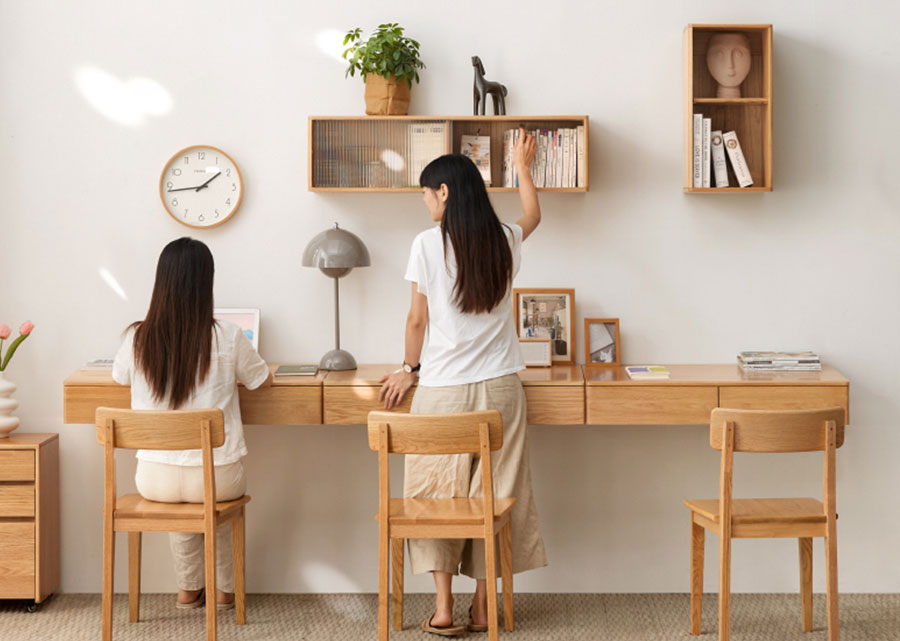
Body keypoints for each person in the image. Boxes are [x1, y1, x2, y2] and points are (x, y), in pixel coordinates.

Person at [379, 128, 547, 636]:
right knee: (494, 496)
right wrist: (522, 167)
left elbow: (416, 320)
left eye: (427, 193)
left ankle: (445, 607)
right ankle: (482, 605)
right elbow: (533, 216)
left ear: (444, 192)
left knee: (435, 496)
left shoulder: (427, 245)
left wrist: (408, 371)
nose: (426, 203)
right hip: (500, 390)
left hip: (443, 392)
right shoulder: (504, 240)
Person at [112, 237, 272, 609]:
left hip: (153, 479)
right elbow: (263, 381)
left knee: (182, 484)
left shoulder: (137, 337)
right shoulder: (228, 336)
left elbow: (120, 378)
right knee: (212, 490)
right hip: (217, 478)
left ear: (161, 282)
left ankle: (188, 589)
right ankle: (224, 592)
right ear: (206, 283)